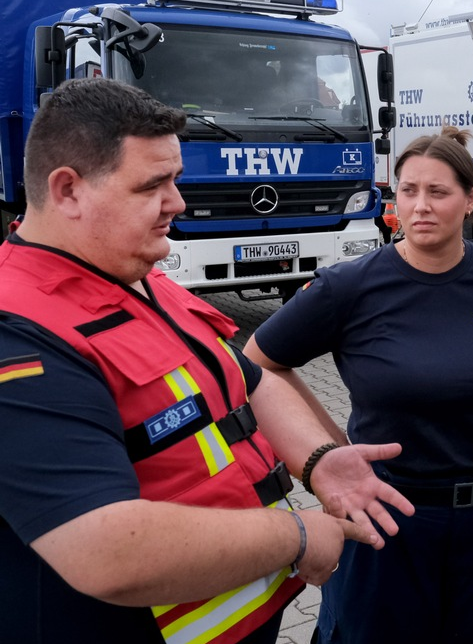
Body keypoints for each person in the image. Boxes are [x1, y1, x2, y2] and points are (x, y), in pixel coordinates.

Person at [0, 78, 415, 644]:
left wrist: (318, 460)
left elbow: (246, 376)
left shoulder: (139, 275)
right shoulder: (19, 332)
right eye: (154, 185)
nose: (178, 203)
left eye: (176, 179)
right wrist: (296, 536)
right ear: (68, 190)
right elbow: (104, 549)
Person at [244, 125, 473, 643]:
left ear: (471, 200)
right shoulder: (349, 287)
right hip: (385, 515)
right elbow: (259, 364)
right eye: (408, 191)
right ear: (393, 197)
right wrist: (327, 450)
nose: (421, 206)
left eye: (438, 192)